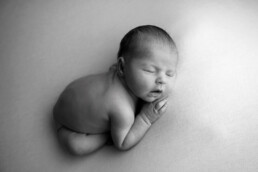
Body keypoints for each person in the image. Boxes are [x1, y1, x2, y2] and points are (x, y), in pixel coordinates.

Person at [53, 25, 178, 155]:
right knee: (77, 146)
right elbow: (123, 143)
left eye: (170, 74)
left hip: (71, 92)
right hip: (67, 125)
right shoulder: (122, 109)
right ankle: (106, 134)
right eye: (150, 70)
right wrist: (145, 118)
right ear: (122, 67)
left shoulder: (115, 72)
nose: (162, 80)